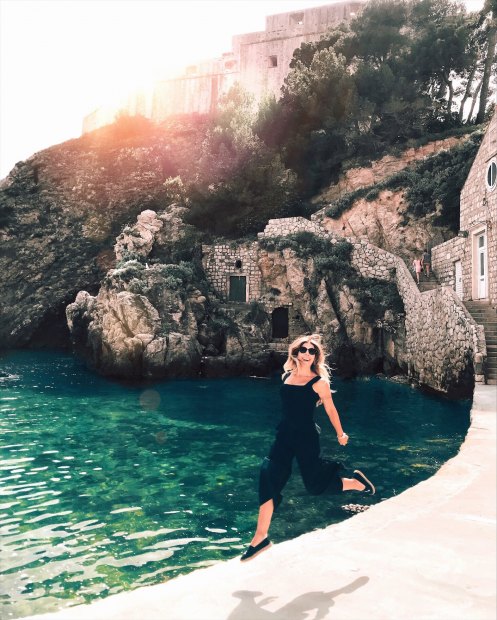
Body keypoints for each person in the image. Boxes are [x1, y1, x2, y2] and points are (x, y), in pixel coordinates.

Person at [240, 334, 376, 562]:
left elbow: (331, 409)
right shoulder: (286, 376)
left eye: (311, 351)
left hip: (306, 437)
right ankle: (260, 538)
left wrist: (340, 433)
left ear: (316, 356)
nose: (306, 354)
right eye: (303, 350)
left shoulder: (319, 383)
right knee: (268, 476)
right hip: (284, 435)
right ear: (295, 353)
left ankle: (355, 483)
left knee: (314, 485)